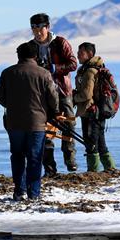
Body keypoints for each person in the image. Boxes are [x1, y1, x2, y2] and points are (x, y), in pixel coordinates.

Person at [0, 42, 59, 200]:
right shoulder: (43, 74)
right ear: (35, 56)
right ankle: (34, 193)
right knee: (35, 157)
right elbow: (53, 98)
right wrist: (52, 112)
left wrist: (12, 106)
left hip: (14, 123)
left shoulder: (8, 73)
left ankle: (19, 191)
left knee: (17, 155)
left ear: (18, 55)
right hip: (37, 122)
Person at [27, 13, 78, 174]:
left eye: (39, 27)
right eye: (33, 28)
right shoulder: (30, 46)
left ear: (47, 27)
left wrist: (55, 68)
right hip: (42, 94)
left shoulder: (60, 43)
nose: (36, 32)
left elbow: (73, 63)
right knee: (45, 129)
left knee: (68, 124)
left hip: (62, 90)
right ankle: (50, 168)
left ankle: (70, 159)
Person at [73, 42, 116, 172]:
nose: (78, 56)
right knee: (101, 144)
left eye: (81, 53)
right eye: (78, 53)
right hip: (97, 112)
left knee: (91, 144)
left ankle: (93, 172)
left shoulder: (90, 71)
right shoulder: (91, 69)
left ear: (90, 54)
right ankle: (111, 170)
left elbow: (86, 94)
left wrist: (72, 98)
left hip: (91, 112)